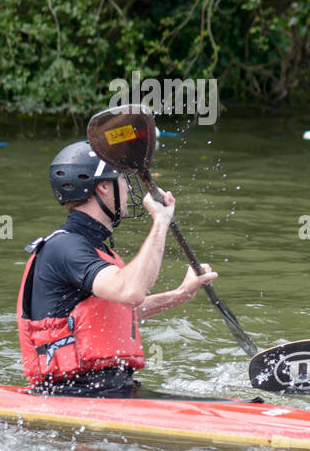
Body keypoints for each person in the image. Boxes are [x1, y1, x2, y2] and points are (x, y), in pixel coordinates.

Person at [17, 140, 218, 396]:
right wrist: (160, 222)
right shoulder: (65, 248)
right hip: (73, 395)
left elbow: (116, 314)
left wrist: (180, 294)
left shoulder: (93, 248)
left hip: (109, 390)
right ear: (102, 187)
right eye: (122, 179)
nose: (127, 188)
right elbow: (131, 291)